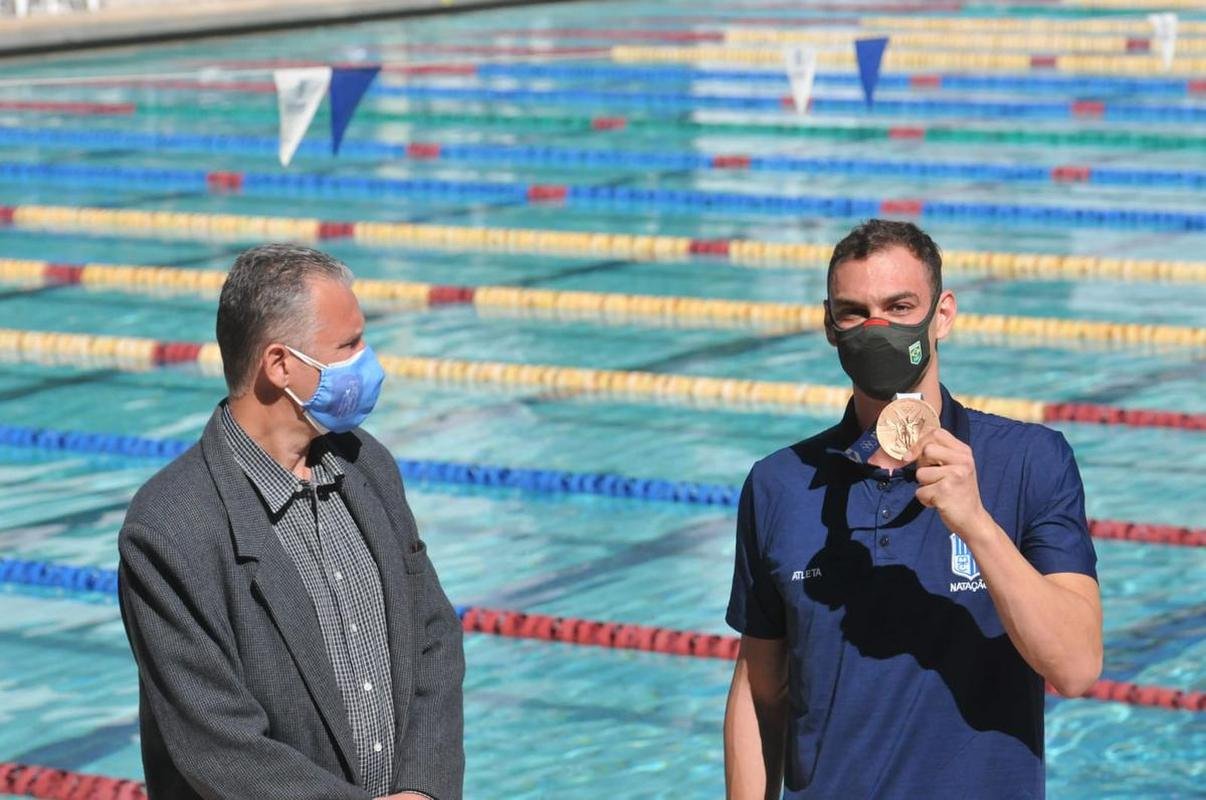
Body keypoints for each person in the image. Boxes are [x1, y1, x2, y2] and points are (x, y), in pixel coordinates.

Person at [723, 220, 1102, 799]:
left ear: (942, 315)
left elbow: (1076, 667)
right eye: (854, 312)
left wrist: (976, 523)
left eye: (900, 306)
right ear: (830, 324)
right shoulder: (779, 483)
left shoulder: (1029, 461)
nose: (878, 329)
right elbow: (758, 692)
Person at [118, 244, 464, 800]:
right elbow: (219, 747)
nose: (369, 361)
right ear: (280, 365)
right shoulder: (169, 529)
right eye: (348, 345)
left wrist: (424, 789)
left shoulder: (366, 464)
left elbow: (434, 637)